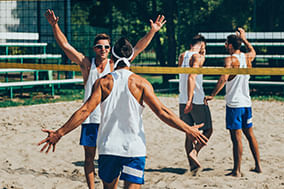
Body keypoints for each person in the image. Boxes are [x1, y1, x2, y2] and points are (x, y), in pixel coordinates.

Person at [38, 33, 209, 188]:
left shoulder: (103, 83)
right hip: (134, 149)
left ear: (112, 56)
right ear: (130, 57)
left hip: (109, 148)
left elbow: (84, 111)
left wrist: (59, 133)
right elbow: (162, 112)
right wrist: (188, 129)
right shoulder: (141, 83)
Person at [44, 9, 166, 189]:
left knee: (110, 161)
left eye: (106, 47)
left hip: (110, 121)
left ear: (111, 50)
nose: (103, 49)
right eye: (100, 46)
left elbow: (138, 47)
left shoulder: (116, 64)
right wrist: (54, 26)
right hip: (90, 119)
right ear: (94, 48)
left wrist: (153, 31)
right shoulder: (87, 64)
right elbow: (66, 46)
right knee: (89, 158)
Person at [205, 28, 261, 177]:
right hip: (246, 103)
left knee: (236, 138)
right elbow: (253, 51)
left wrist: (212, 95)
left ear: (230, 45)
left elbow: (223, 78)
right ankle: (258, 166)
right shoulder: (247, 58)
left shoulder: (230, 60)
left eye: (226, 43)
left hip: (234, 104)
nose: (225, 45)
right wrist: (245, 39)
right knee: (250, 135)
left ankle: (236, 170)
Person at [177, 34, 213, 171]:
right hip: (195, 99)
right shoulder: (197, 57)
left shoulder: (182, 56)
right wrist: (190, 100)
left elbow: (182, 74)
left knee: (189, 132)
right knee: (208, 129)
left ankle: (192, 166)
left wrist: (186, 99)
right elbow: (191, 77)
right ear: (202, 45)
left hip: (182, 98)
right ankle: (195, 152)